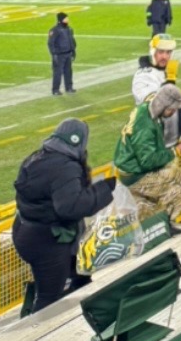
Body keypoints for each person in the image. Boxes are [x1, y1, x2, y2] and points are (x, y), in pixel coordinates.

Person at [12, 119, 115, 313]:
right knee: (48, 301)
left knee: (79, 277)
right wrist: (104, 189)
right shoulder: (66, 166)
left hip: (25, 231)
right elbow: (70, 207)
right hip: (47, 241)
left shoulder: (37, 157)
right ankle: (37, 330)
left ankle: (82, 313)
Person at [112, 83, 181, 226]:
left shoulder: (147, 108)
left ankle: (150, 220)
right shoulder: (145, 125)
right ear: (165, 106)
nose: (173, 113)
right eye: (172, 109)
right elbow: (148, 160)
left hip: (129, 170)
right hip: (135, 176)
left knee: (147, 208)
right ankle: (165, 224)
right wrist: (176, 151)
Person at [48, 11, 77, 96]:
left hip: (68, 53)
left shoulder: (69, 29)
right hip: (59, 55)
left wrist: (73, 51)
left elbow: (72, 41)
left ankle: (69, 87)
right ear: (61, 20)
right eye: (66, 18)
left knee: (68, 72)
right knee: (58, 73)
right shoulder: (55, 30)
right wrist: (54, 54)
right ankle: (55, 90)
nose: (67, 20)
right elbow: (51, 43)